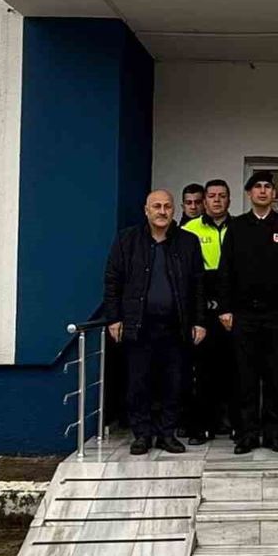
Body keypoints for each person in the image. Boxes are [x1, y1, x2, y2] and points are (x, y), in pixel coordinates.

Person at [104, 190, 207, 455]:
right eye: (157, 206)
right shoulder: (127, 240)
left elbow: (198, 285)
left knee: (174, 382)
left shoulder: (188, 241)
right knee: (138, 382)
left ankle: (167, 434)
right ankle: (142, 434)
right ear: (146, 210)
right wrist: (114, 318)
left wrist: (199, 321)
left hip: (176, 326)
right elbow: (113, 280)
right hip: (139, 325)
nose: (162, 211)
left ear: (174, 210)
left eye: (167, 207)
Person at [218, 171, 278, 454]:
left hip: (277, 314)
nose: (263, 191)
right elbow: (226, 269)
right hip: (243, 315)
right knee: (246, 376)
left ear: (274, 194)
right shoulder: (237, 227)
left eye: (268, 187)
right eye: (258, 187)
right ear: (249, 193)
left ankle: (272, 433)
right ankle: (247, 434)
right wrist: (225, 308)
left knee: (272, 376)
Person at [182, 179, 235, 445]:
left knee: (233, 368)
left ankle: (231, 422)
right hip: (201, 309)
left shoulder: (240, 227)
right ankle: (202, 425)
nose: (216, 200)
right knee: (202, 369)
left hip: (232, 308)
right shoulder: (189, 229)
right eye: (212, 196)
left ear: (229, 200)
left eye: (222, 196)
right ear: (205, 201)